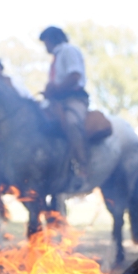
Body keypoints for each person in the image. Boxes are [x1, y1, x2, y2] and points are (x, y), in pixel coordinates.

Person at [39, 26, 89, 177]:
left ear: (51, 39)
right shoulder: (56, 57)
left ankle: (82, 165)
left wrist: (57, 89)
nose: (45, 46)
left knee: (72, 122)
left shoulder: (68, 51)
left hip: (73, 99)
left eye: (45, 42)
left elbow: (75, 76)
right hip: (57, 102)